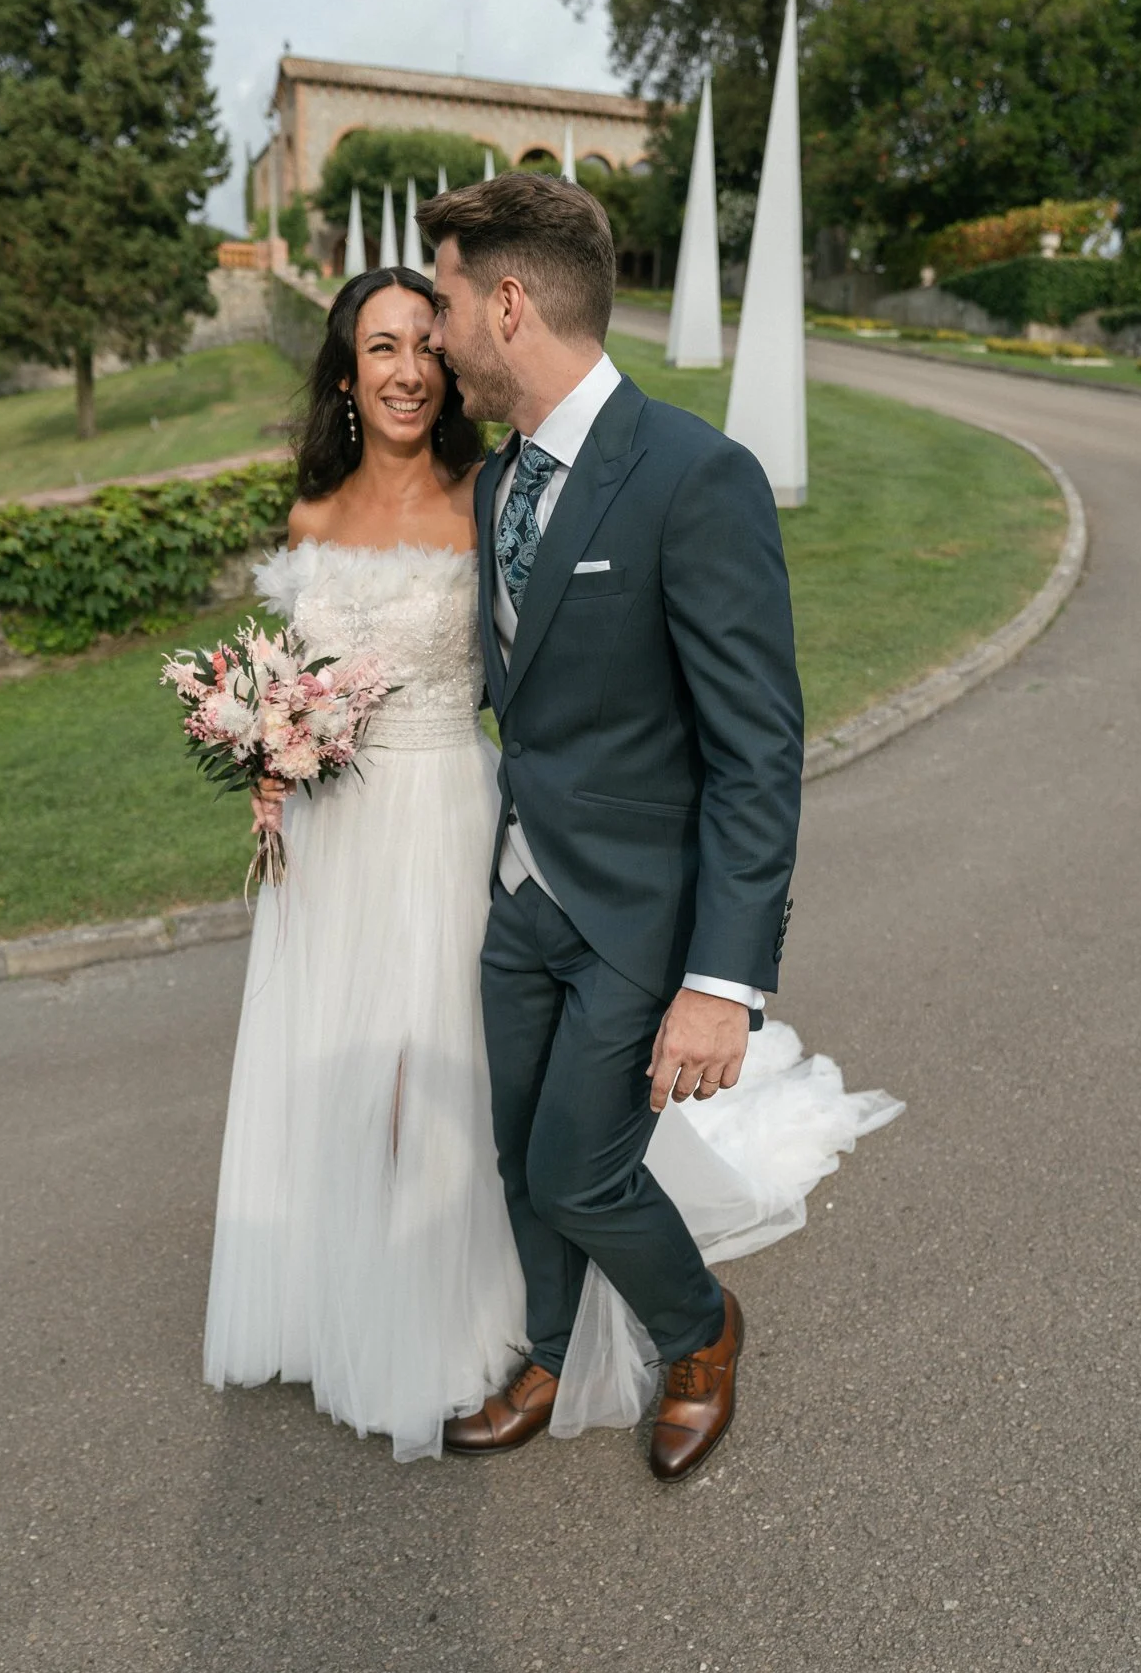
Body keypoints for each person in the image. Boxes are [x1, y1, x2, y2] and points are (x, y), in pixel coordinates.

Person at [203, 228, 901, 1470]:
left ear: (504, 302)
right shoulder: (511, 471)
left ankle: (698, 1329)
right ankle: (540, 1340)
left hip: (633, 906)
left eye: (448, 310)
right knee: (514, 1149)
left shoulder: (694, 473)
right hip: (504, 881)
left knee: (580, 1168)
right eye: (391, 340)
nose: (430, 349)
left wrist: (721, 979)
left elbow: (756, 750)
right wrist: (281, 739)